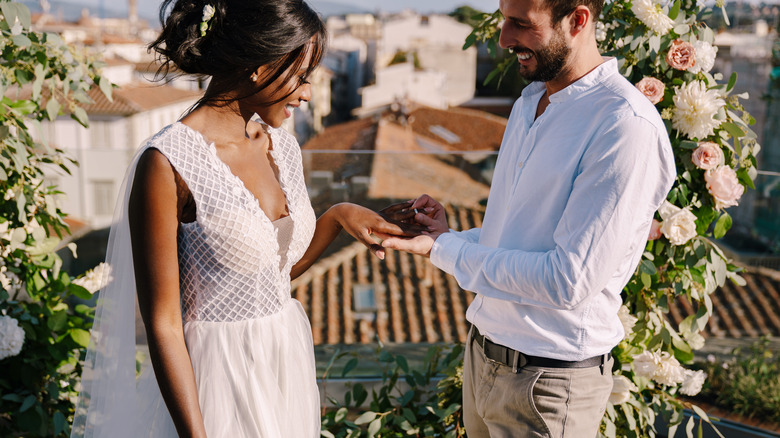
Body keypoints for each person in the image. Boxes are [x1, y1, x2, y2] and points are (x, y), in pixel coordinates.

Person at [70, 1, 414, 437]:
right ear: (259, 65)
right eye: (300, 75)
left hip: (283, 365)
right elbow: (163, 323)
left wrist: (338, 216)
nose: (307, 92)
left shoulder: (281, 147)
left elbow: (271, 277)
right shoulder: (169, 163)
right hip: (216, 383)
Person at [380, 0, 676, 436]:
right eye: (504, 19)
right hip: (484, 358)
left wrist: (445, 249)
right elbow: (520, 236)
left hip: (548, 385)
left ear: (577, 20)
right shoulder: (528, 103)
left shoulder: (623, 126)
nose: (503, 38)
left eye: (520, 24)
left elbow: (566, 280)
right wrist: (450, 235)